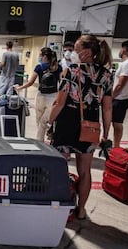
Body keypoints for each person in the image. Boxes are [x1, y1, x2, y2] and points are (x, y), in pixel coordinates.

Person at [47, 35, 113, 220]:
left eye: (76, 50)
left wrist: (48, 123)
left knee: (60, 168)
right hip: (90, 127)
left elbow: (59, 103)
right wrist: (105, 134)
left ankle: (59, 207)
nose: (72, 53)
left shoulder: (71, 71)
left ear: (86, 52)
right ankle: (81, 209)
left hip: (67, 124)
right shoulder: (106, 75)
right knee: (85, 171)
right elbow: (107, 108)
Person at [14, 47, 61, 142]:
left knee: (40, 119)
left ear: (44, 56)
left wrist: (19, 88)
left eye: (40, 55)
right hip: (53, 96)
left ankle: (40, 140)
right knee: (46, 119)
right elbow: (61, 82)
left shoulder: (39, 67)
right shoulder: (58, 67)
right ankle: (47, 136)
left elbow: (31, 82)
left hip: (41, 96)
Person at [112, 40, 128, 148]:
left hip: (121, 98)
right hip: (121, 97)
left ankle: (116, 146)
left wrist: (111, 97)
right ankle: (115, 145)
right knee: (115, 123)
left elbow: (120, 84)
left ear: (124, 49)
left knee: (117, 123)